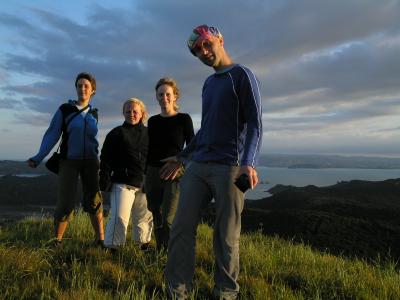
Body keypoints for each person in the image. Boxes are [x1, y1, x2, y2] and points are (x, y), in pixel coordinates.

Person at [163, 25, 262, 299]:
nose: (203, 52)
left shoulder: (243, 76)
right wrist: (183, 156)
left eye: (206, 45)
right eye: (197, 51)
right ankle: (177, 292)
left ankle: (226, 293)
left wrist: (249, 162)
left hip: (230, 167)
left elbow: (255, 124)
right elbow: (205, 129)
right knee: (181, 228)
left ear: (219, 39)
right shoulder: (208, 83)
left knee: (226, 236)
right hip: (199, 167)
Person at [28, 72, 104, 247]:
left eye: (86, 86)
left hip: (91, 161)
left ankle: (100, 240)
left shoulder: (94, 113)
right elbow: (53, 133)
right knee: (65, 201)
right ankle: (57, 242)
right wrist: (38, 157)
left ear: (93, 90)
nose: (82, 88)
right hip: (69, 161)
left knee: (94, 200)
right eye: (79, 85)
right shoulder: (65, 109)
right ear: (76, 88)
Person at [145, 77, 194, 251]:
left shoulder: (184, 119)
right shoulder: (152, 121)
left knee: (168, 217)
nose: (164, 97)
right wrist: (145, 174)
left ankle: (170, 253)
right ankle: (161, 250)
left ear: (175, 97)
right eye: (160, 94)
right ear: (156, 97)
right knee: (155, 212)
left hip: (174, 172)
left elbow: (193, 148)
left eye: (168, 94)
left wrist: (181, 164)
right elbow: (148, 149)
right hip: (152, 172)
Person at [99, 98, 153, 250]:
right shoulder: (116, 133)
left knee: (144, 217)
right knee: (119, 217)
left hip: (145, 182)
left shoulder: (150, 133)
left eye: (135, 111)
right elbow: (106, 158)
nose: (131, 114)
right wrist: (104, 178)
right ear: (123, 113)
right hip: (122, 183)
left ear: (141, 113)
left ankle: (143, 246)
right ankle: (112, 249)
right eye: (128, 111)